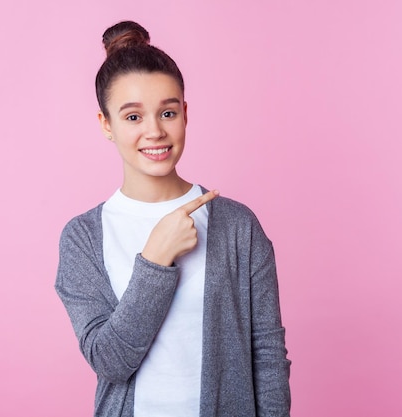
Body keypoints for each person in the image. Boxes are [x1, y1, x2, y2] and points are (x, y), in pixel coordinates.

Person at [55, 21, 291, 417]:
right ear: (106, 125)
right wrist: (154, 261)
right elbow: (109, 362)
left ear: (185, 113)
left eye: (168, 112)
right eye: (132, 117)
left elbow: (267, 354)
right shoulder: (82, 237)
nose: (155, 131)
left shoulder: (236, 226)